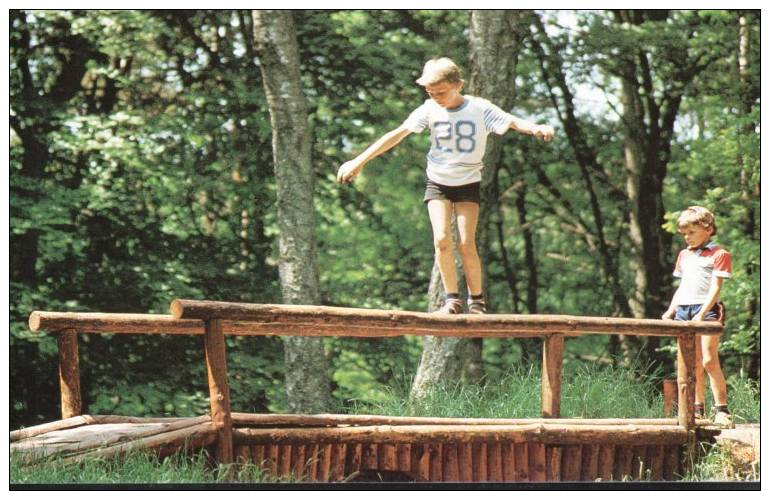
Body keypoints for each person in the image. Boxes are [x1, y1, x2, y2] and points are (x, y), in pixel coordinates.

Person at [337, 57, 554, 314]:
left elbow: (515, 121)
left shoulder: (479, 108)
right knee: (441, 240)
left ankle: (477, 302)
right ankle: (451, 300)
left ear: (458, 85)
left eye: (441, 92)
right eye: (430, 93)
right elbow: (396, 135)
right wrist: (359, 160)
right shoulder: (428, 109)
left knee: (465, 243)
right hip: (438, 181)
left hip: (468, 183)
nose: (436, 97)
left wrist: (538, 128)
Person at [662, 206, 734, 428]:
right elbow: (682, 287)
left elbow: (715, 288)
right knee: (691, 364)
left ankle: (722, 410)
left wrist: (703, 311)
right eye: (683, 234)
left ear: (708, 229)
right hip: (684, 309)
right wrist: (671, 310)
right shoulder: (684, 255)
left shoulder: (720, 254)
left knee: (708, 359)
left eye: (691, 232)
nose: (686, 238)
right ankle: (697, 409)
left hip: (708, 310)